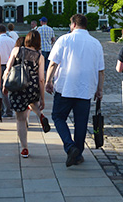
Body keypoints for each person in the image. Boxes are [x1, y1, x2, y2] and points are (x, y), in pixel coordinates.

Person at [46, 14, 104, 167]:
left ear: (72, 24)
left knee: (58, 117)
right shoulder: (96, 43)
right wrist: (100, 90)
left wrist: (48, 81)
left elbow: (53, 64)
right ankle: (77, 154)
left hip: (65, 87)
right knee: (81, 123)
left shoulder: (64, 40)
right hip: (85, 89)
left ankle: (70, 146)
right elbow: (101, 70)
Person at [3, 30, 50, 158]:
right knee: (33, 102)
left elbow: (7, 69)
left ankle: (24, 148)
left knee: (21, 119)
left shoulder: (16, 50)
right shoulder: (40, 57)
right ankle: (40, 115)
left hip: (17, 86)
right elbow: (41, 79)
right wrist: (43, 98)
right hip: (32, 86)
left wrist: (4, 85)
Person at [0, 24, 16, 118]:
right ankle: (9, 108)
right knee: (10, 88)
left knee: (1, 89)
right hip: (11, 66)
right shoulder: (12, 41)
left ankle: (5, 109)